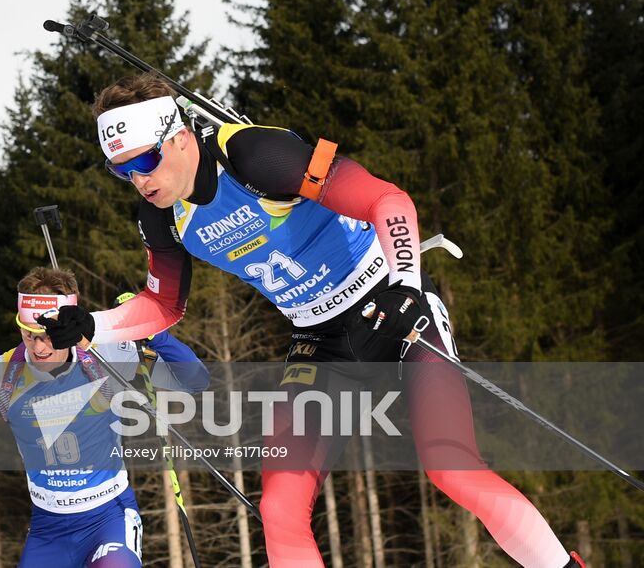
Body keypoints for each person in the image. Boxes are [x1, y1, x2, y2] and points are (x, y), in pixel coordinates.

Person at [39, 73, 586, 568]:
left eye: (144, 160)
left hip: (389, 309)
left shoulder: (254, 156)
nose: (138, 179)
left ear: (180, 135)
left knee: (452, 467)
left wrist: (407, 288)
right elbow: (163, 305)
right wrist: (91, 325)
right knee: (278, 507)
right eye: (121, 169)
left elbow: (389, 201)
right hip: (319, 342)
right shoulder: (161, 215)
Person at [0, 266, 207, 567]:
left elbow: (195, 380)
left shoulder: (106, 354)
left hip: (108, 517)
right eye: (29, 335)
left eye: (48, 335)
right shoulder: (2, 374)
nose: (39, 347)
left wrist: (149, 330)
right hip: (49, 528)